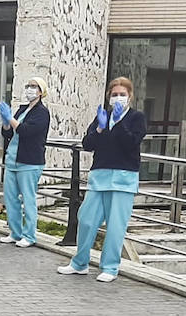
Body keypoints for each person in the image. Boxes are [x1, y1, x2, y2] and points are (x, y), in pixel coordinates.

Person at [58, 76, 147, 281]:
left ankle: (110, 267)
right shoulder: (102, 116)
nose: (118, 98)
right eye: (114, 94)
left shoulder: (136, 118)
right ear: (108, 96)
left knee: (115, 226)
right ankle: (80, 263)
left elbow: (132, 143)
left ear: (130, 96)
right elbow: (88, 144)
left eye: (122, 95)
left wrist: (118, 124)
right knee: (87, 219)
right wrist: (100, 127)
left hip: (123, 178)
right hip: (99, 176)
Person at [0, 76, 51, 249]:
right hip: (13, 159)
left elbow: (26, 131)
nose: (30, 89)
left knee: (28, 199)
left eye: (34, 86)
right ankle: (15, 232)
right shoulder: (22, 109)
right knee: (10, 198)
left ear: (41, 91)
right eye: (28, 85)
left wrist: (11, 120)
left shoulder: (42, 113)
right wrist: (6, 122)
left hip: (29, 161)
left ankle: (29, 235)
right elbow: (8, 133)